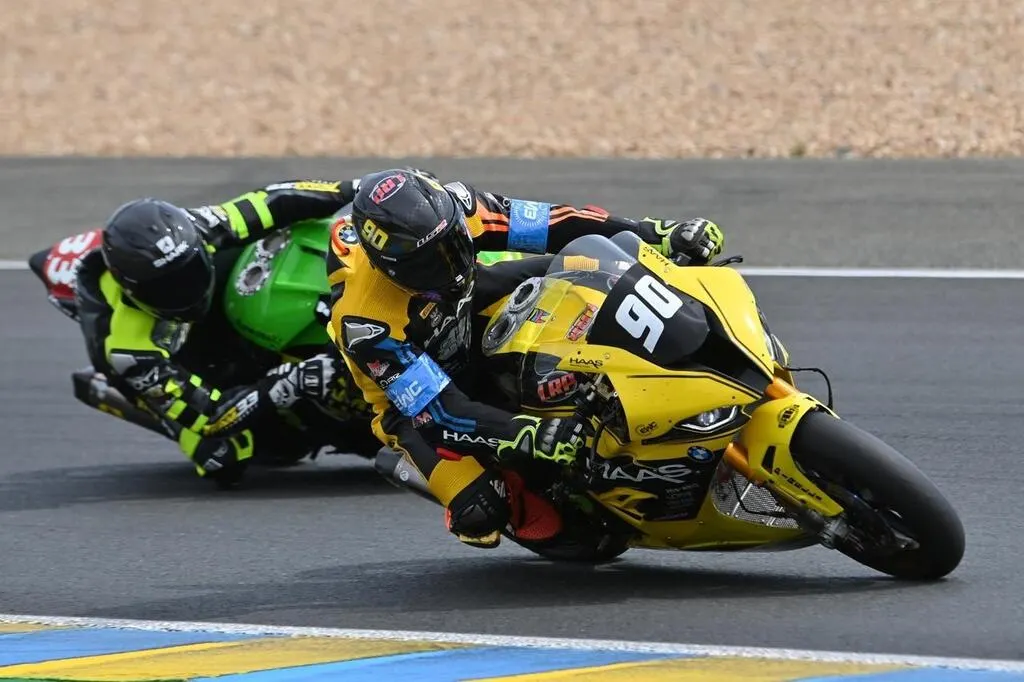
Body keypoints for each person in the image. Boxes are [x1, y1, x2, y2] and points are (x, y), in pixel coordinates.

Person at [327, 168, 725, 548]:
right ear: (389, 268)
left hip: (471, 306)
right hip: (417, 411)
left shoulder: (460, 207)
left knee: (589, 267)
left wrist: (658, 234)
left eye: (452, 244)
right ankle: (436, 472)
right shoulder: (367, 324)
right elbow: (440, 411)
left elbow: (556, 222)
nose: (449, 263)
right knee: (482, 510)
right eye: (429, 262)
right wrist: (525, 432)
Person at [74, 176, 382, 487]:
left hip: (223, 308)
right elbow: (210, 416)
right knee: (223, 456)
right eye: (167, 289)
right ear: (133, 291)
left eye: (192, 269)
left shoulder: (201, 227)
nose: (187, 290)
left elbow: (278, 198)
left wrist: (362, 189)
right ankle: (141, 405)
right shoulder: (131, 351)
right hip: (162, 370)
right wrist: (288, 382)